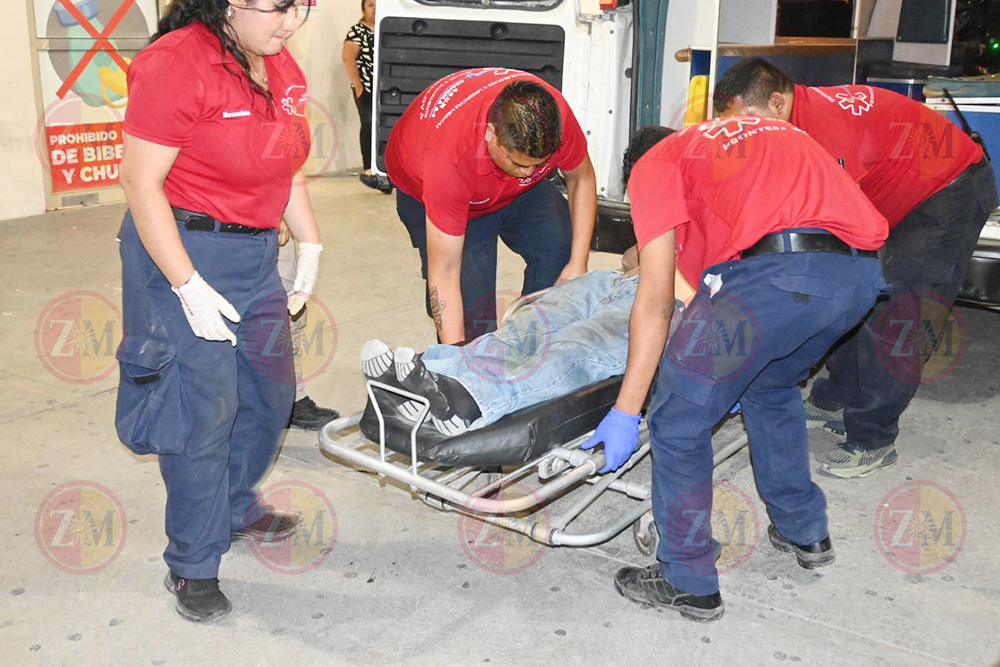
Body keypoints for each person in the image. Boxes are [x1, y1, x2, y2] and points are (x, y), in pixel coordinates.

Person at [583, 121, 889, 622]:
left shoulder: (653, 166)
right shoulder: (749, 140)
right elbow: (700, 286)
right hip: (856, 278)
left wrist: (626, 410)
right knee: (771, 388)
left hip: (773, 277)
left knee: (679, 422)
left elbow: (658, 301)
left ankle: (687, 579)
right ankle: (803, 528)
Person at [114, 0, 321, 623]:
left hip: (254, 253)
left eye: (303, 7)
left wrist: (308, 242)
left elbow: (289, 168)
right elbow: (140, 182)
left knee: (271, 394)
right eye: (280, 8)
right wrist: (186, 284)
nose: (291, 23)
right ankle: (193, 563)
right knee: (201, 412)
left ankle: (233, 505)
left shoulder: (279, 66)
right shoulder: (176, 64)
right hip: (181, 245)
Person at [713, 58, 999, 478]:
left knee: (896, 307)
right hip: (900, 196)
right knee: (858, 294)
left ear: (777, 102)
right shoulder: (794, 119)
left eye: (746, 123)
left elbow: (838, 225)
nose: (744, 135)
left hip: (948, 194)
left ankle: (873, 437)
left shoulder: (830, 134)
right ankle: (837, 395)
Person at [359, 250, 698, 435]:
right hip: (606, 282)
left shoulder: (728, 229)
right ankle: (428, 373)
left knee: (574, 347)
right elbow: (628, 257)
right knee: (524, 330)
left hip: (662, 302)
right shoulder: (677, 205)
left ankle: (469, 401)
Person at [385, 68, 598, 344]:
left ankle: (537, 341)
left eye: (539, 164)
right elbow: (445, 272)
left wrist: (578, 264)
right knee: (473, 318)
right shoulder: (450, 162)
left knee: (563, 247)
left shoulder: (552, 116)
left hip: (513, 193)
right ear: (491, 134)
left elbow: (581, 178)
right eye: (520, 163)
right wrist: (458, 360)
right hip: (439, 191)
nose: (528, 172)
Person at [276, 222, 341, 429]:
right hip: (216, 221)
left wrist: (281, 210)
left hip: (271, 212)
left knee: (288, 312)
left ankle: (292, 398)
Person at [342, 0, 389, 192]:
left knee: (386, 127)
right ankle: (369, 168)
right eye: (370, 4)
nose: (375, 8)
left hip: (386, 89)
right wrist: (359, 87)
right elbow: (348, 59)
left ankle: (386, 171)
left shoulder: (388, 27)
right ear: (363, 8)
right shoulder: (357, 31)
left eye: (378, 4)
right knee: (369, 124)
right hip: (366, 89)